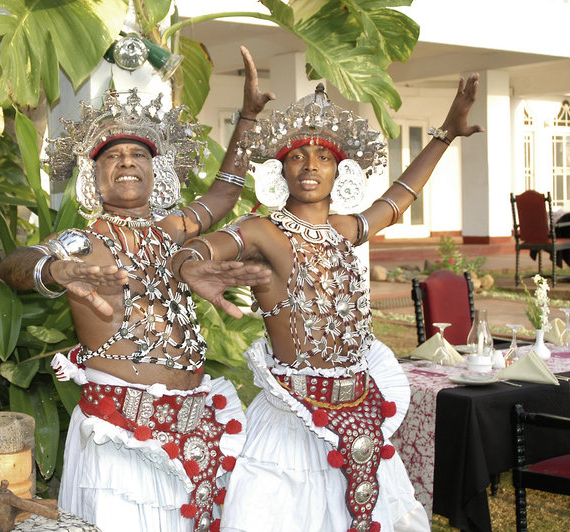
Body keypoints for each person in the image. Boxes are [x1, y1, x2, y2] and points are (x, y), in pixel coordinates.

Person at [171, 74, 484, 531]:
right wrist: (190, 264)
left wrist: (444, 134)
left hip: (358, 406)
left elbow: (399, 198)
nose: (309, 166)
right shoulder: (263, 230)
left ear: (341, 171)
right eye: (296, 157)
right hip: (291, 419)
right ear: (281, 171)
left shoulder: (344, 230)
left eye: (322, 156)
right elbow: (201, 247)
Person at [0, 47, 273, 532]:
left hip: (195, 420)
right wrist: (53, 271)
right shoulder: (83, 241)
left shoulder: (173, 230)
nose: (127, 162)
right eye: (113, 156)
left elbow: (225, 192)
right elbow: (13, 265)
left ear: (155, 170)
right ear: (94, 177)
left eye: (139, 154)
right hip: (121, 435)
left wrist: (247, 117)